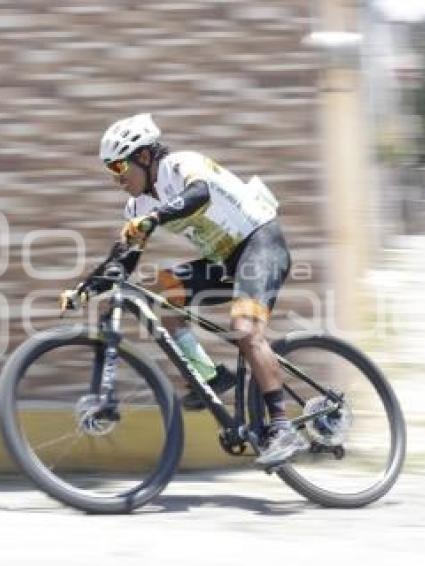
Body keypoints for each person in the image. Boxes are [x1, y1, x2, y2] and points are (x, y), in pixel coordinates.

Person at [59, 113, 307, 466]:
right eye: (109, 170)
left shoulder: (181, 165)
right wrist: (85, 290)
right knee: (163, 290)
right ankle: (211, 377)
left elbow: (199, 194)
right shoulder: (137, 206)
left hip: (260, 244)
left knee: (245, 332)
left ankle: (283, 428)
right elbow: (123, 262)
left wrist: (155, 219)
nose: (116, 178)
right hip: (224, 260)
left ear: (143, 157)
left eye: (118, 167)